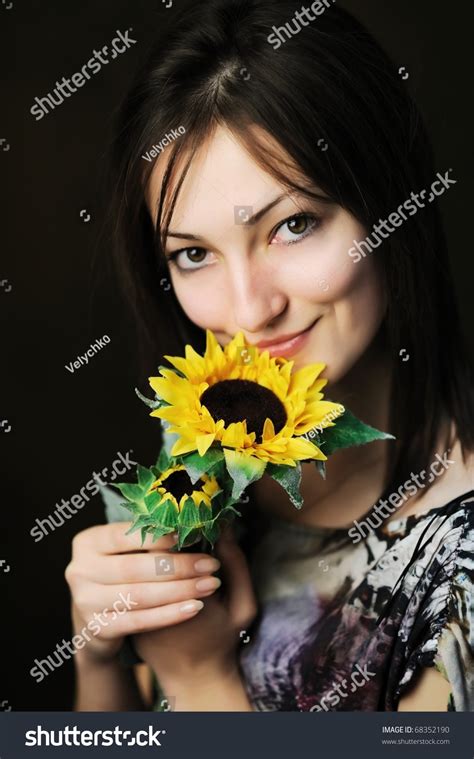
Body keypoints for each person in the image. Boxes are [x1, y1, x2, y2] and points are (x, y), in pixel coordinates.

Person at [65, 0, 474, 711]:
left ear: (388, 203)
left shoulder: (459, 562)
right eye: (194, 254)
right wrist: (98, 649)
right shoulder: (200, 461)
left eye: (292, 225)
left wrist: (195, 676)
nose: (249, 313)